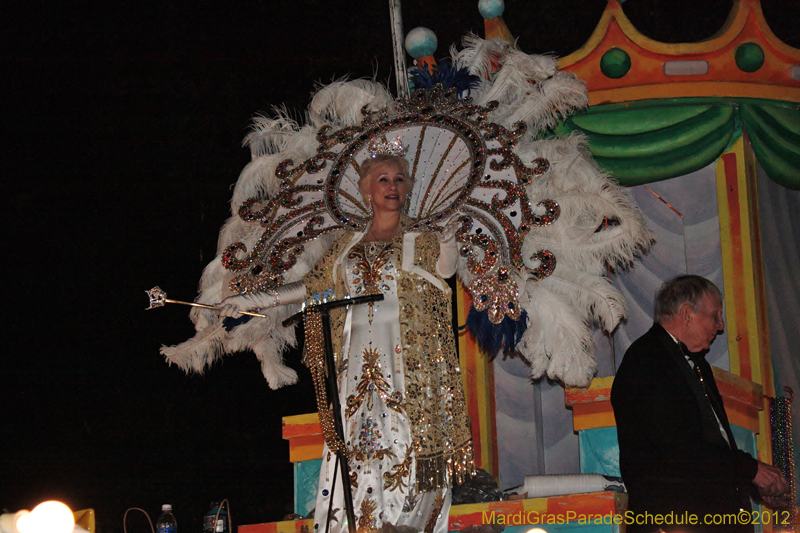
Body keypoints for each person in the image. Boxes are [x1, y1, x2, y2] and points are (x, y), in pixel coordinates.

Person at [217, 151, 474, 533]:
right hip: (355, 368)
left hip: (407, 368)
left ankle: (403, 522)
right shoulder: (346, 246)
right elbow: (312, 289)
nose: (393, 187)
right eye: (384, 179)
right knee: (354, 441)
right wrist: (251, 300)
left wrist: (449, 240)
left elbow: (444, 272)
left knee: (403, 437)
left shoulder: (421, 238)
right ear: (367, 190)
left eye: (400, 179)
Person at [611, 275, 789, 532]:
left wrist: (754, 485)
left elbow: (712, 446)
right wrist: (752, 471)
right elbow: (676, 449)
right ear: (687, 314)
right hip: (674, 520)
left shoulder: (697, 365)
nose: (720, 326)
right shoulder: (646, 360)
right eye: (715, 315)